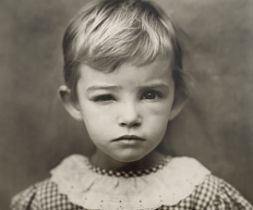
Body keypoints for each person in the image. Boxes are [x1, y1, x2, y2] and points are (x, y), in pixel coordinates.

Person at [10, 0, 253, 209]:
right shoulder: (49, 199)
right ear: (74, 102)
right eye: (105, 97)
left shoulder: (202, 196)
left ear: (176, 101)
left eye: (150, 94)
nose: (130, 116)